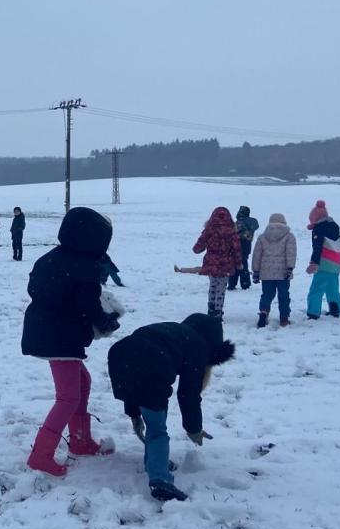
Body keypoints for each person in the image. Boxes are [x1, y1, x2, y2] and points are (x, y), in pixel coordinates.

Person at [21, 207, 122, 478]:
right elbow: (89, 305)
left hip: (45, 330)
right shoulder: (85, 267)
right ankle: (40, 455)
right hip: (61, 336)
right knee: (68, 397)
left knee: (83, 382)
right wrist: (106, 322)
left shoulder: (50, 258)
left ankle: (80, 440)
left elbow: (34, 288)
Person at [108, 313, 235, 502]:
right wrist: (194, 429)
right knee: (157, 430)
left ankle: (154, 461)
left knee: (148, 404)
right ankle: (160, 479)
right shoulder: (198, 348)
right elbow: (188, 395)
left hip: (119, 357)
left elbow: (135, 365)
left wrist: (134, 412)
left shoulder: (174, 333)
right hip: (152, 367)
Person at [183, 208, 240, 320]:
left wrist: (201, 247)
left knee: (213, 286)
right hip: (225, 264)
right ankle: (218, 312)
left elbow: (197, 248)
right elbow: (237, 250)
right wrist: (238, 263)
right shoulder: (232, 232)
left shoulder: (209, 230)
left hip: (211, 263)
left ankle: (211, 309)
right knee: (221, 289)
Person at [251, 213, 297, 328]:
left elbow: (256, 255)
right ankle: (284, 318)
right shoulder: (289, 236)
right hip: (283, 273)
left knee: (267, 294)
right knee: (284, 295)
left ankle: (263, 312)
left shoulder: (262, 237)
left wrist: (256, 271)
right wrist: (290, 267)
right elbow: (291, 253)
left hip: (266, 273)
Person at [305, 200, 340, 320]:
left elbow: (317, 247)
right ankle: (336, 310)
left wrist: (314, 263)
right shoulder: (334, 226)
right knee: (332, 288)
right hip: (336, 263)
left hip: (324, 263)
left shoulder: (318, 229)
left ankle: (313, 312)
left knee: (316, 289)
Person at [228, 206, 259, 290]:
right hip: (247, 245)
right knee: (243, 262)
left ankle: (232, 283)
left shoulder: (238, 223)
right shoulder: (252, 222)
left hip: (236, 244)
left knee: (235, 264)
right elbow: (255, 226)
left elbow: (233, 233)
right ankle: (245, 283)